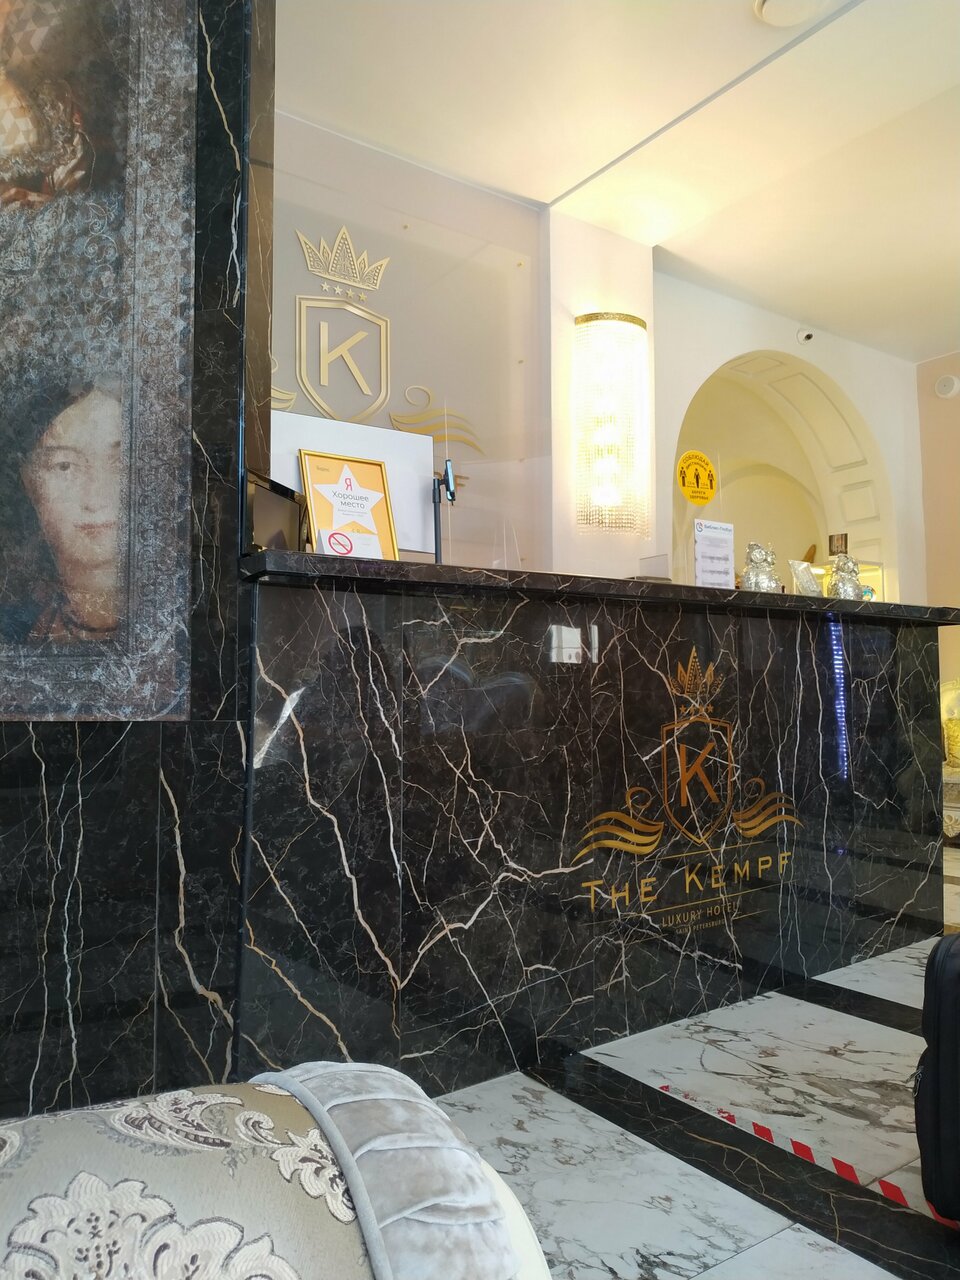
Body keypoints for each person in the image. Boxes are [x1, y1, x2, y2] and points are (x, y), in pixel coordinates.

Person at [0, 380, 123, 642]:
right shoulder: (14, 626)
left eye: (120, 463)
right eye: (64, 466)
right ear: (29, 481)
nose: (95, 499)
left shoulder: (183, 618)